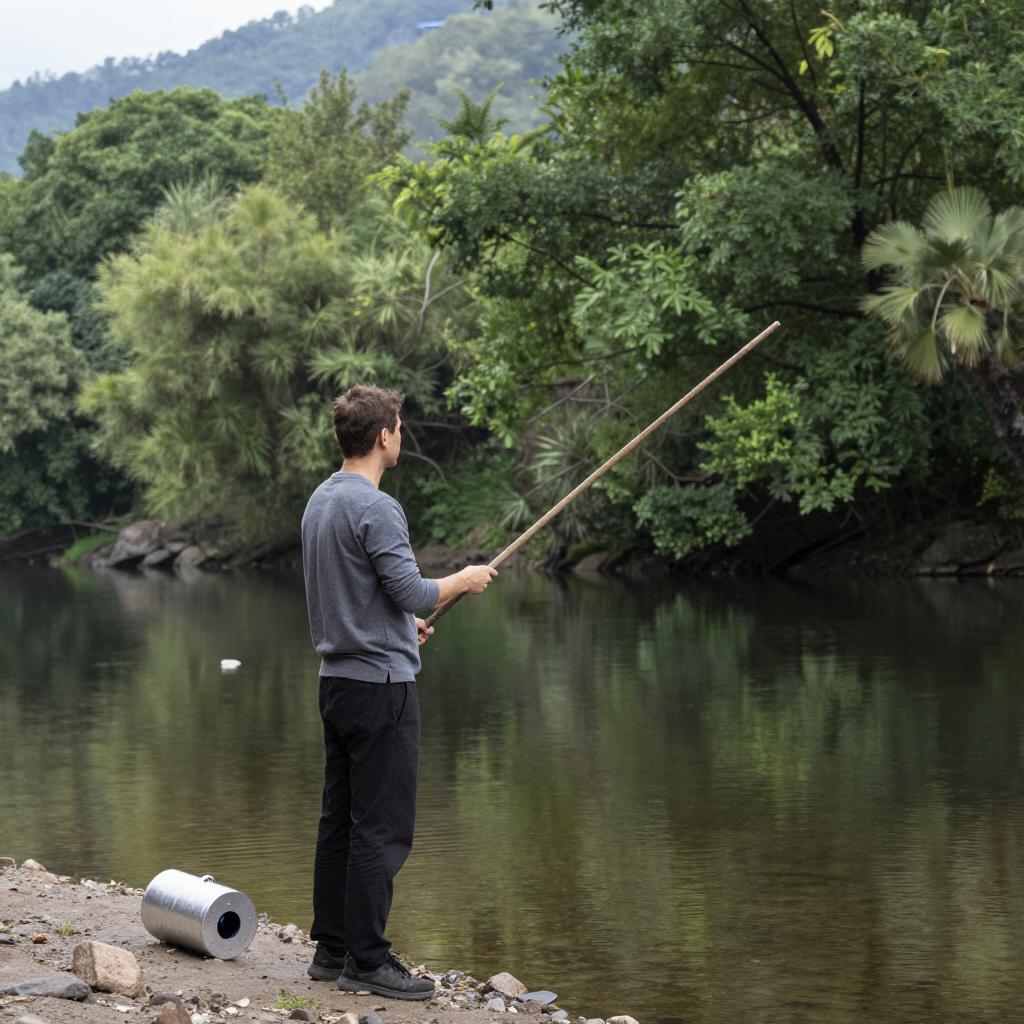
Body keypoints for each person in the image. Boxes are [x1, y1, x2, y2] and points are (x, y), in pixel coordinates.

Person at [300, 384, 497, 1001]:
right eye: (400, 428)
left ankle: (331, 950)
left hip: (338, 684)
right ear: (383, 436)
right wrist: (463, 579)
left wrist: (399, 628)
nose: (402, 436)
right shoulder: (377, 506)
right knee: (379, 828)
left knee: (339, 820)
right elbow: (412, 589)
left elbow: (357, 593)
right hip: (381, 690)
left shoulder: (319, 501)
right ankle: (368, 960)